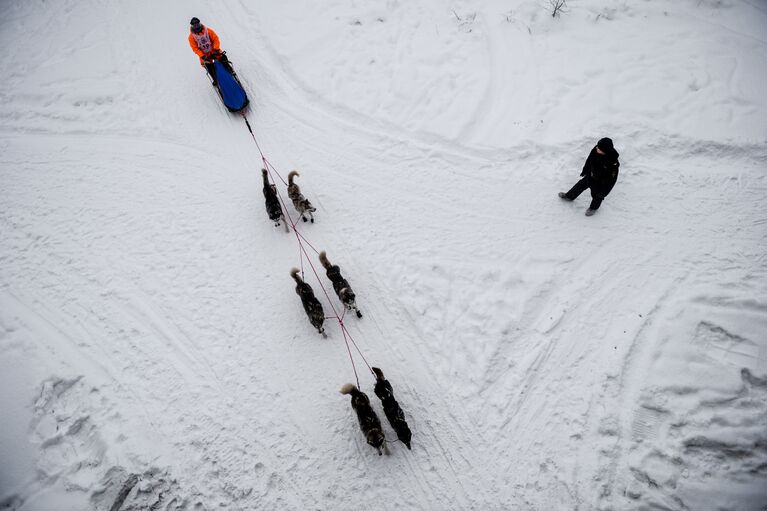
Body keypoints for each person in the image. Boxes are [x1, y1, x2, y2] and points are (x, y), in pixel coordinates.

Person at [559, 137, 620, 216]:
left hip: (600, 182)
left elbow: (612, 181)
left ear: (605, 151)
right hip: (590, 175)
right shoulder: (596, 149)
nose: (597, 148)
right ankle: (569, 196)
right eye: (597, 146)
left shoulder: (613, 163)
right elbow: (589, 160)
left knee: (597, 196)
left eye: (599, 148)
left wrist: (604, 192)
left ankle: (593, 208)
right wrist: (585, 170)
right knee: (579, 186)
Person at [188, 17, 231, 86]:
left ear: (199, 23)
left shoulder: (208, 31)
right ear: (192, 26)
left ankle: (230, 71)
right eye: (194, 25)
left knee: (223, 58)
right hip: (205, 56)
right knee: (208, 66)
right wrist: (202, 56)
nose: (196, 26)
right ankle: (216, 79)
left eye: (197, 24)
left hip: (214, 51)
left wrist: (216, 49)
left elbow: (215, 39)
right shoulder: (191, 37)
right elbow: (195, 48)